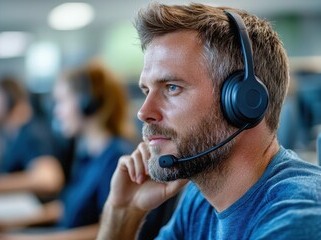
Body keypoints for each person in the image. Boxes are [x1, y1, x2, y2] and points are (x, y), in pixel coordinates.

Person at [97, 2, 321, 240]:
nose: (143, 112)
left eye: (172, 87)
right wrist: (124, 211)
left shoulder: (297, 219)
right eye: (146, 91)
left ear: (243, 102)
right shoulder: (200, 198)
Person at [0, 59, 136, 240]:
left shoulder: (117, 159)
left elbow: (108, 230)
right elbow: (66, 207)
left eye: (62, 101)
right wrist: (11, 223)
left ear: (87, 103)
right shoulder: (88, 156)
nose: (57, 112)